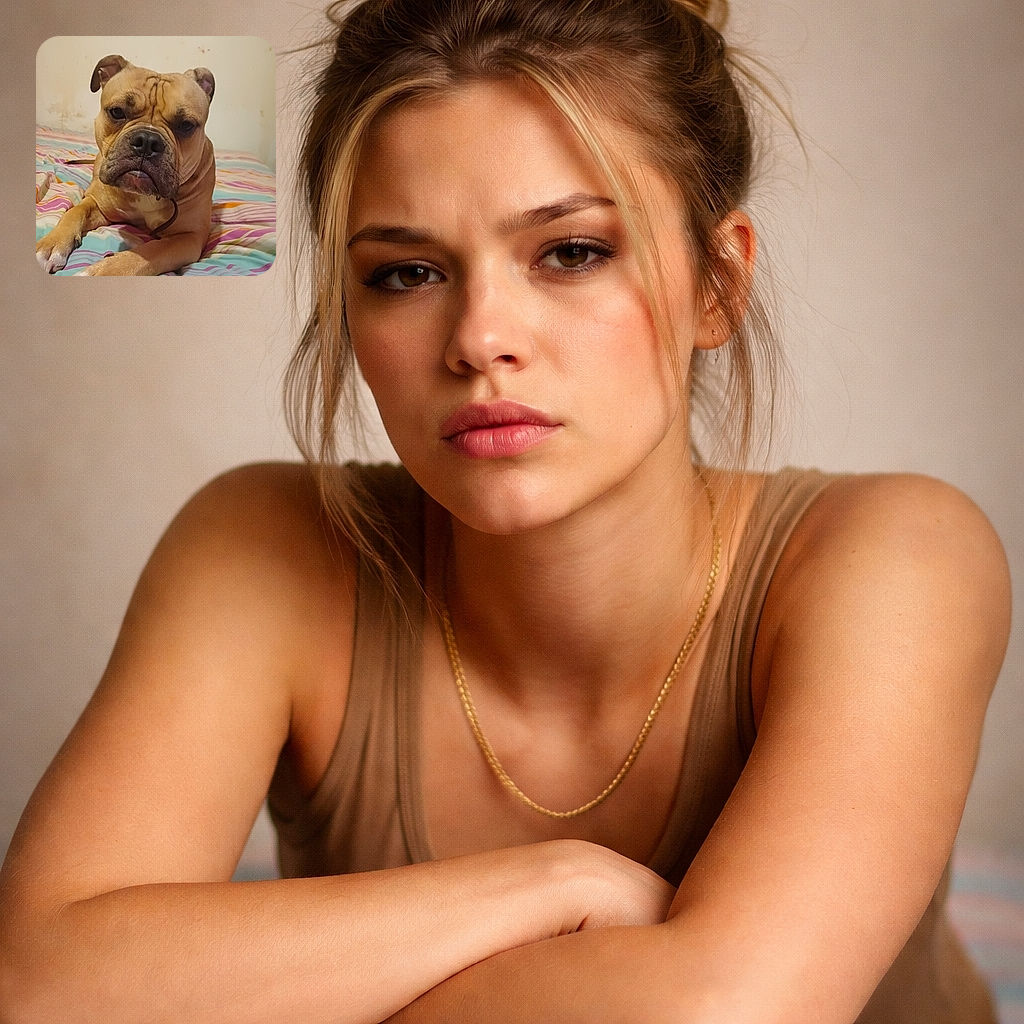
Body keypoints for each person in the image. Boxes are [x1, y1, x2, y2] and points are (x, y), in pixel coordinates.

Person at [0, 1, 1011, 1021]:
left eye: (570, 252)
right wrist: (556, 884)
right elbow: (40, 984)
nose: (481, 337)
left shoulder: (898, 557)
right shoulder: (262, 547)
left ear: (716, 282)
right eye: (406, 272)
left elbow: (719, 1012)